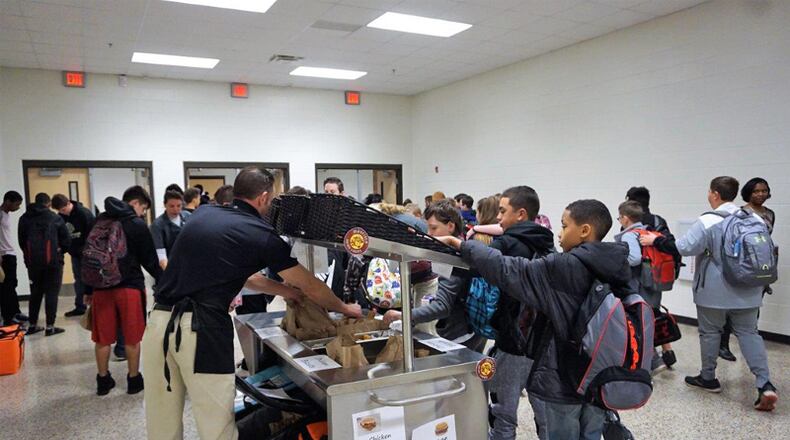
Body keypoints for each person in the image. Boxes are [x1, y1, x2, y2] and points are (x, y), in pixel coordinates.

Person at [142, 167, 361, 440]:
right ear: (264, 197)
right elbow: (308, 284)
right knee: (216, 424)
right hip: (202, 332)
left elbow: (247, 278)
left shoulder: (205, 213)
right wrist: (345, 308)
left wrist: (287, 293)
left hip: (158, 323)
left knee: (161, 422)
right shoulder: (261, 234)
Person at [440, 199, 634, 439]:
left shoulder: (564, 267)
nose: (560, 234)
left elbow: (508, 269)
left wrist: (461, 245)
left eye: (564, 226)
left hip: (563, 380)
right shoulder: (618, 265)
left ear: (584, 231)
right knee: (591, 433)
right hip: (600, 375)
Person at [643, 176, 777, 411]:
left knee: (710, 332)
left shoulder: (708, 220)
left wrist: (657, 239)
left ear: (714, 194)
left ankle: (708, 378)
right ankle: (764, 384)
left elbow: (684, 247)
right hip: (749, 288)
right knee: (749, 333)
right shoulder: (753, 217)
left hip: (714, 291)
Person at [485, 186, 554, 440]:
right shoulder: (546, 243)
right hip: (541, 339)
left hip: (514, 339)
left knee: (504, 409)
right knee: (544, 408)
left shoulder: (506, 245)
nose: (498, 218)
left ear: (521, 213)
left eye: (502, 211)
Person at [88, 186, 163, 396]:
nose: (142, 213)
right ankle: (133, 380)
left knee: (102, 338)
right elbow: (150, 260)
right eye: (143, 208)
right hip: (129, 287)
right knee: (132, 338)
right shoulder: (136, 224)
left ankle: (103, 380)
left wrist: (88, 288)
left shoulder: (100, 221)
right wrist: (166, 281)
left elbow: (90, 257)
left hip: (101, 289)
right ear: (136, 203)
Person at [383, 200, 486, 352]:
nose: (429, 234)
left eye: (433, 228)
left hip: (460, 336)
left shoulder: (453, 258)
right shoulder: (450, 252)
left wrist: (402, 315)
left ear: (450, 226)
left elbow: (442, 306)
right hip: (464, 330)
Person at [718, 177, 776, 361]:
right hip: (741, 264)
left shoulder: (770, 213)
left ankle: (749, 343)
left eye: (764, 190)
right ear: (748, 193)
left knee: (755, 305)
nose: (761, 194)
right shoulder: (740, 212)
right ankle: (723, 345)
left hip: (761, 265)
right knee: (731, 306)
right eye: (756, 191)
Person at [625, 186, 680, 366]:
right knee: (653, 310)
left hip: (638, 278)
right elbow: (672, 247)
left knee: (640, 317)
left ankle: (649, 359)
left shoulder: (630, 222)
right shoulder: (658, 220)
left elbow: (631, 256)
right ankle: (667, 349)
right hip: (657, 275)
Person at [615, 201, 668, 372]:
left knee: (636, 325)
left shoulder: (629, 235)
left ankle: (648, 363)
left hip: (636, 288)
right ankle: (653, 360)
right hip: (651, 285)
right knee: (647, 324)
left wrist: (617, 262)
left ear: (625, 218)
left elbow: (634, 259)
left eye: (619, 218)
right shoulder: (649, 232)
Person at [18, 193, 71, 336]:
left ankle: (33, 325)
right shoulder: (55, 218)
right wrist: (60, 251)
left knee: (35, 293)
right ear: (48, 204)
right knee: (51, 294)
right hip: (53, 262)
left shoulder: (24, 218)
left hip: (33, 264)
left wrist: (29, 256)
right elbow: (66, 240)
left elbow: (21, 241)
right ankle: (50, 327)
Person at [52, 194, 96, 317]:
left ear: (68, 204)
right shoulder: (61, 216)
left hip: (88, 253)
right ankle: (80, 306)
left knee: (91, 279)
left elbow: (93, 234)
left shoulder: (84, 214)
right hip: (75, 253)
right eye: (59, 211)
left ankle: (95, 306)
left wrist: (87, 251)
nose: (62, 212)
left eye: (63, 209)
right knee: (79, 280)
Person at [1, 191, 27, 326]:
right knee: (7, 287)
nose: (18, 207)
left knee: (12, 285)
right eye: (17, 204)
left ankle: (15, 311)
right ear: (8, 201)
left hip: (10, 254)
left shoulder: (6, 215)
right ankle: (8, 317)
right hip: (4, 255)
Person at [150, 190, 188, 271]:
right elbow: (161, 255)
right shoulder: (157, 225)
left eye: (179, 206)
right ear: (165, 205)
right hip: (169, 265)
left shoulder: (188, 217)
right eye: (172, 206)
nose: (176, 209)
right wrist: (169, 273)